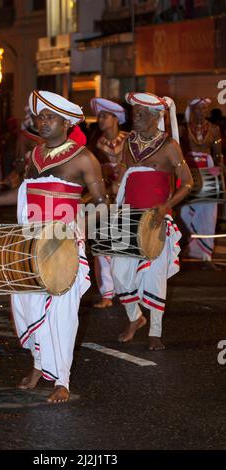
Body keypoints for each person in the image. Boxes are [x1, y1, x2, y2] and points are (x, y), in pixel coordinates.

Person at [0, 90, 108, 403]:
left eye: (49, 117)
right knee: (26, 307)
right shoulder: (35, 156)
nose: (42, 122)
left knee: (61, 313)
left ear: (67, 122)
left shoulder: (84, 158)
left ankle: (62, 380)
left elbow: (101, 203)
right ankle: (39, 364)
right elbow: (22, 192)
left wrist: (71, 223)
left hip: (62, 244)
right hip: (30, 242)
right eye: (40, 117)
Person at [111, 92, 193, 350]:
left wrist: (166, 206)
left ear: (158, 117)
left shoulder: (169, 146)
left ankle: (155, 332)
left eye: (143, 114)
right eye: (135, 113)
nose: (136, 118)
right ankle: (135, 318)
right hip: (127, 216)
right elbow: (124, 173)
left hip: (156, 219)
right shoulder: (128, 143)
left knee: (155, 276)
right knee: (118, 272)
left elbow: (188, 182)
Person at [89, 98, 128, 308]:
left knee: (127, 246)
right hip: (103, 200)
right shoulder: (94, 143)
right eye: (100, 116)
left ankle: (128, 291)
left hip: (128, 198)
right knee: (103, 245)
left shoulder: (130, 140)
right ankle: (107, 294)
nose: (100, 120)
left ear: (116, 118)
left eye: (104, 116)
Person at [179, 98, 223, 269]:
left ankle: (206, 257)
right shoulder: (183, 129)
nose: (201, 112)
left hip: (209, 172)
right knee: (184, 213)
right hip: (188, 172)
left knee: (208, 215)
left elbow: (218, 155)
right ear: (192, 110)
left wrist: (221, 171)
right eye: (198, 109)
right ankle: (182, 252)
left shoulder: (214, 129)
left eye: (204, 108)